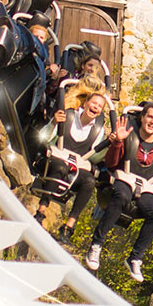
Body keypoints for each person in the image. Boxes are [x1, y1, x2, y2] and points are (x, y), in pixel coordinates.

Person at [86, 101, 153, 282]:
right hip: (123, 177)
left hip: (145, 185)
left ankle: (135, 258)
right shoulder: (129, 135)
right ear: (142, 118)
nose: (152, 122)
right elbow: (111, 163)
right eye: (149, 117)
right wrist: (117, 143)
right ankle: (96, 244)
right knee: (122, 195)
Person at [35, 77, 112, 239]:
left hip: (76, 167)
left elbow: (95, 157)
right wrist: (54, 123)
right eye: (94, 103)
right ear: (85, 104)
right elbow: (43, 139)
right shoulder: (67, 116)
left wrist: (109, 146)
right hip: (55, 160)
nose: (96, 107)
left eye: (100, 106)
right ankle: (41, 211)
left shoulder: (97, 130)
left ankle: (69, 225)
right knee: (60, 167)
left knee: (90, 181)